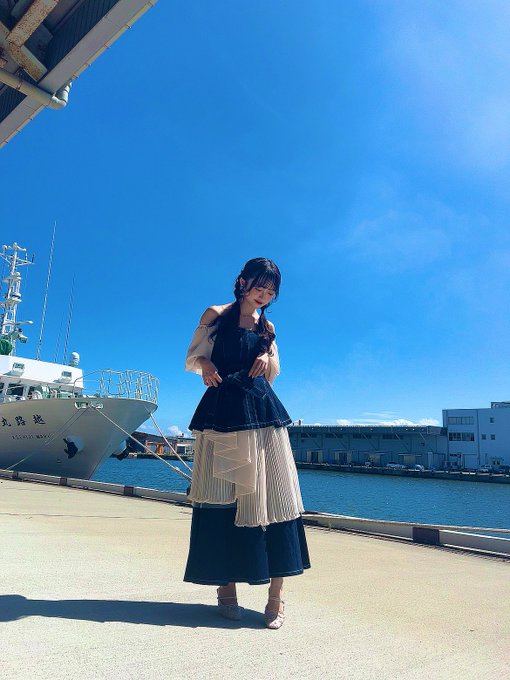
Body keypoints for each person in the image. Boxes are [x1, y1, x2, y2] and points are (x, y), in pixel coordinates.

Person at [183, 257, 310, 629]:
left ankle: (276, 597)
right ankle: (226, 589)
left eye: (271, 292)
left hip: (262, 413)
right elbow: (194, 357)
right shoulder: (215, 314)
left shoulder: (268, 326)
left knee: (275, 497)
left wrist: (266, 357)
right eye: (259, 288)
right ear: (241, 282)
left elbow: (272, 374)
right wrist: (205, 365)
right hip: (222, 412)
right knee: (222, 496)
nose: (264, 296)